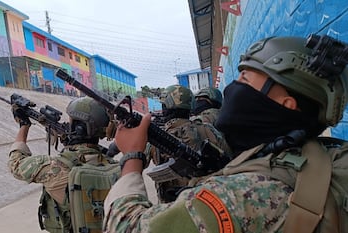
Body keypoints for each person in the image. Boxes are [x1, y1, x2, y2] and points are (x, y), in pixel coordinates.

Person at [103, 35, 348, 232]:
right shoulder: (331, 155)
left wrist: (132, 158)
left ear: (286, 103)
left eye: (244, 79)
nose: (234, 88)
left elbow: (127, 226)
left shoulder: (239, 194)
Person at [8, 96, 110, 233]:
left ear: (78, 128)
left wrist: (24, 126)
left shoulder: (54, 168)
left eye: (71, 122)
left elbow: (16, 163)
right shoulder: (116, 167)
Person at [145, 84, 230, 203]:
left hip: (172, 207)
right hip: (208, 200)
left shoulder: (160, 136)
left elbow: (138, 160)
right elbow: (228, 157)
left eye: (163, 105)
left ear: (168, 106)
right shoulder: (208, 130)